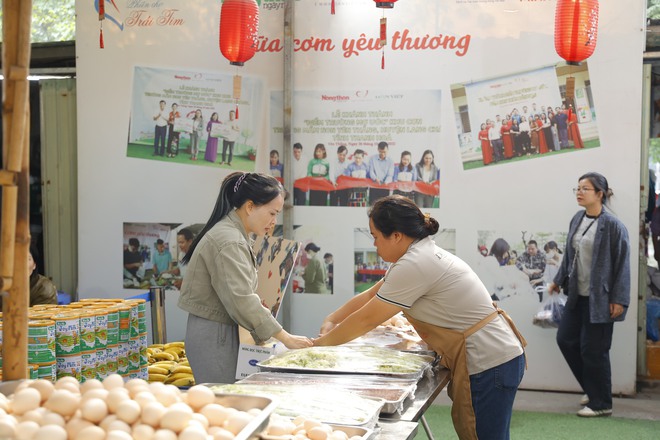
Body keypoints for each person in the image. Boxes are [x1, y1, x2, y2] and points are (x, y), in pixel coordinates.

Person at [314, 195, 526, 439]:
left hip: (489, 360)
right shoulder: (413, 257)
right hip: (494, 355)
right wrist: (332, 318)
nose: (374, 245)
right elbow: (372, 294)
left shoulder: (415, 263)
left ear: (396, 236)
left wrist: (320, 346)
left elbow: (367, 319)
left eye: (375, 237)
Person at [178, 172, 313, 383]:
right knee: (224, 402)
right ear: (250, 206)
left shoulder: (235, 234)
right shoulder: (230, 240)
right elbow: (242, 299)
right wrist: (285, 338)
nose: (274, 221)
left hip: (220, 332)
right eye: (272, 213)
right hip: (216, 336)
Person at [547, 172, 630, 418]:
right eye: (578, 188)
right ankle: (593, 389)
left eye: (585, 189)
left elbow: (622, 264)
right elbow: (570, 257)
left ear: (600, 194)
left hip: (602, 300)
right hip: (576, 296)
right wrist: (557, 280)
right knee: (566, 339)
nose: (579, 193)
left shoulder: (614, 226)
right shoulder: (577, 218)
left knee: (594, 350)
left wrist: (619, 299)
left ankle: (602, 403)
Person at [367, 141, 394, 205]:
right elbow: (371, 171)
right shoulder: (372, 159)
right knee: (373, 206)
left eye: (384, 152)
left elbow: (390, 175)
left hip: (385, 187)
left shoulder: (390, 161)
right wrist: (376, 179)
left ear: (387, 150)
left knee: (384, 206)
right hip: (374, 186)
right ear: (378, 149)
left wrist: (386, 182)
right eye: (380, 152)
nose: (382, 154)